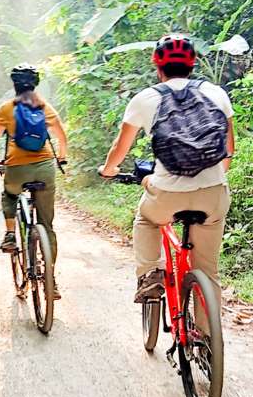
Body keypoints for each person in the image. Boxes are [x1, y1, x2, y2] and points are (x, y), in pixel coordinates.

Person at [97, 34, 235, 305]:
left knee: (146, 219)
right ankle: (207, 342)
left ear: (157, 65)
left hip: (166, 195)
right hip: (214, 194)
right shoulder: (216, 93)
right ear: (193, 63)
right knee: (208, 271)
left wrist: (108, 169)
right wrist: (211, 177)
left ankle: (151, 273)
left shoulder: (145, 99)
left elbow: (119, 148)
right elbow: (229, 150)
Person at [0, 65, 68, 298]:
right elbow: (62, 137)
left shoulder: (6, 109)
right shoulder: (45, 107)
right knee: (47, 226)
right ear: (35, 83)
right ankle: (51, 279)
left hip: (17, 169)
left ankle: (9, 234)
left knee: (9, 194)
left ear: (14, 85)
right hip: (46, 168)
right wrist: (63, 158)